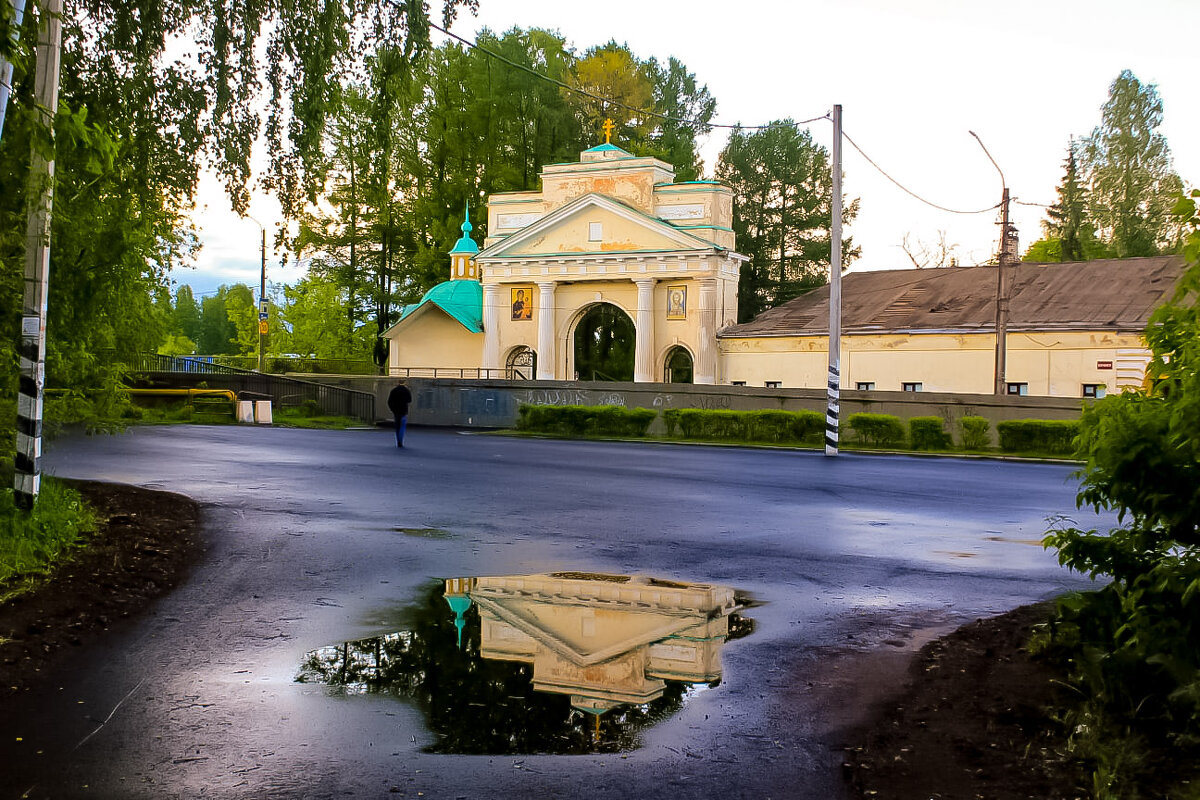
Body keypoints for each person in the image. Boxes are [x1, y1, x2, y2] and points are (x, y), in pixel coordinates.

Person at [387, 382, 413, 448]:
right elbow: (409, 400)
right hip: (403, 410)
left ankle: (398, 440)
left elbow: (389, 401)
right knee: (402, 426)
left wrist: (392, 409)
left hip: (396, 410)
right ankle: (400, 440)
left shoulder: (394, 391)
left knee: (397, 426)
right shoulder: (406, 390)